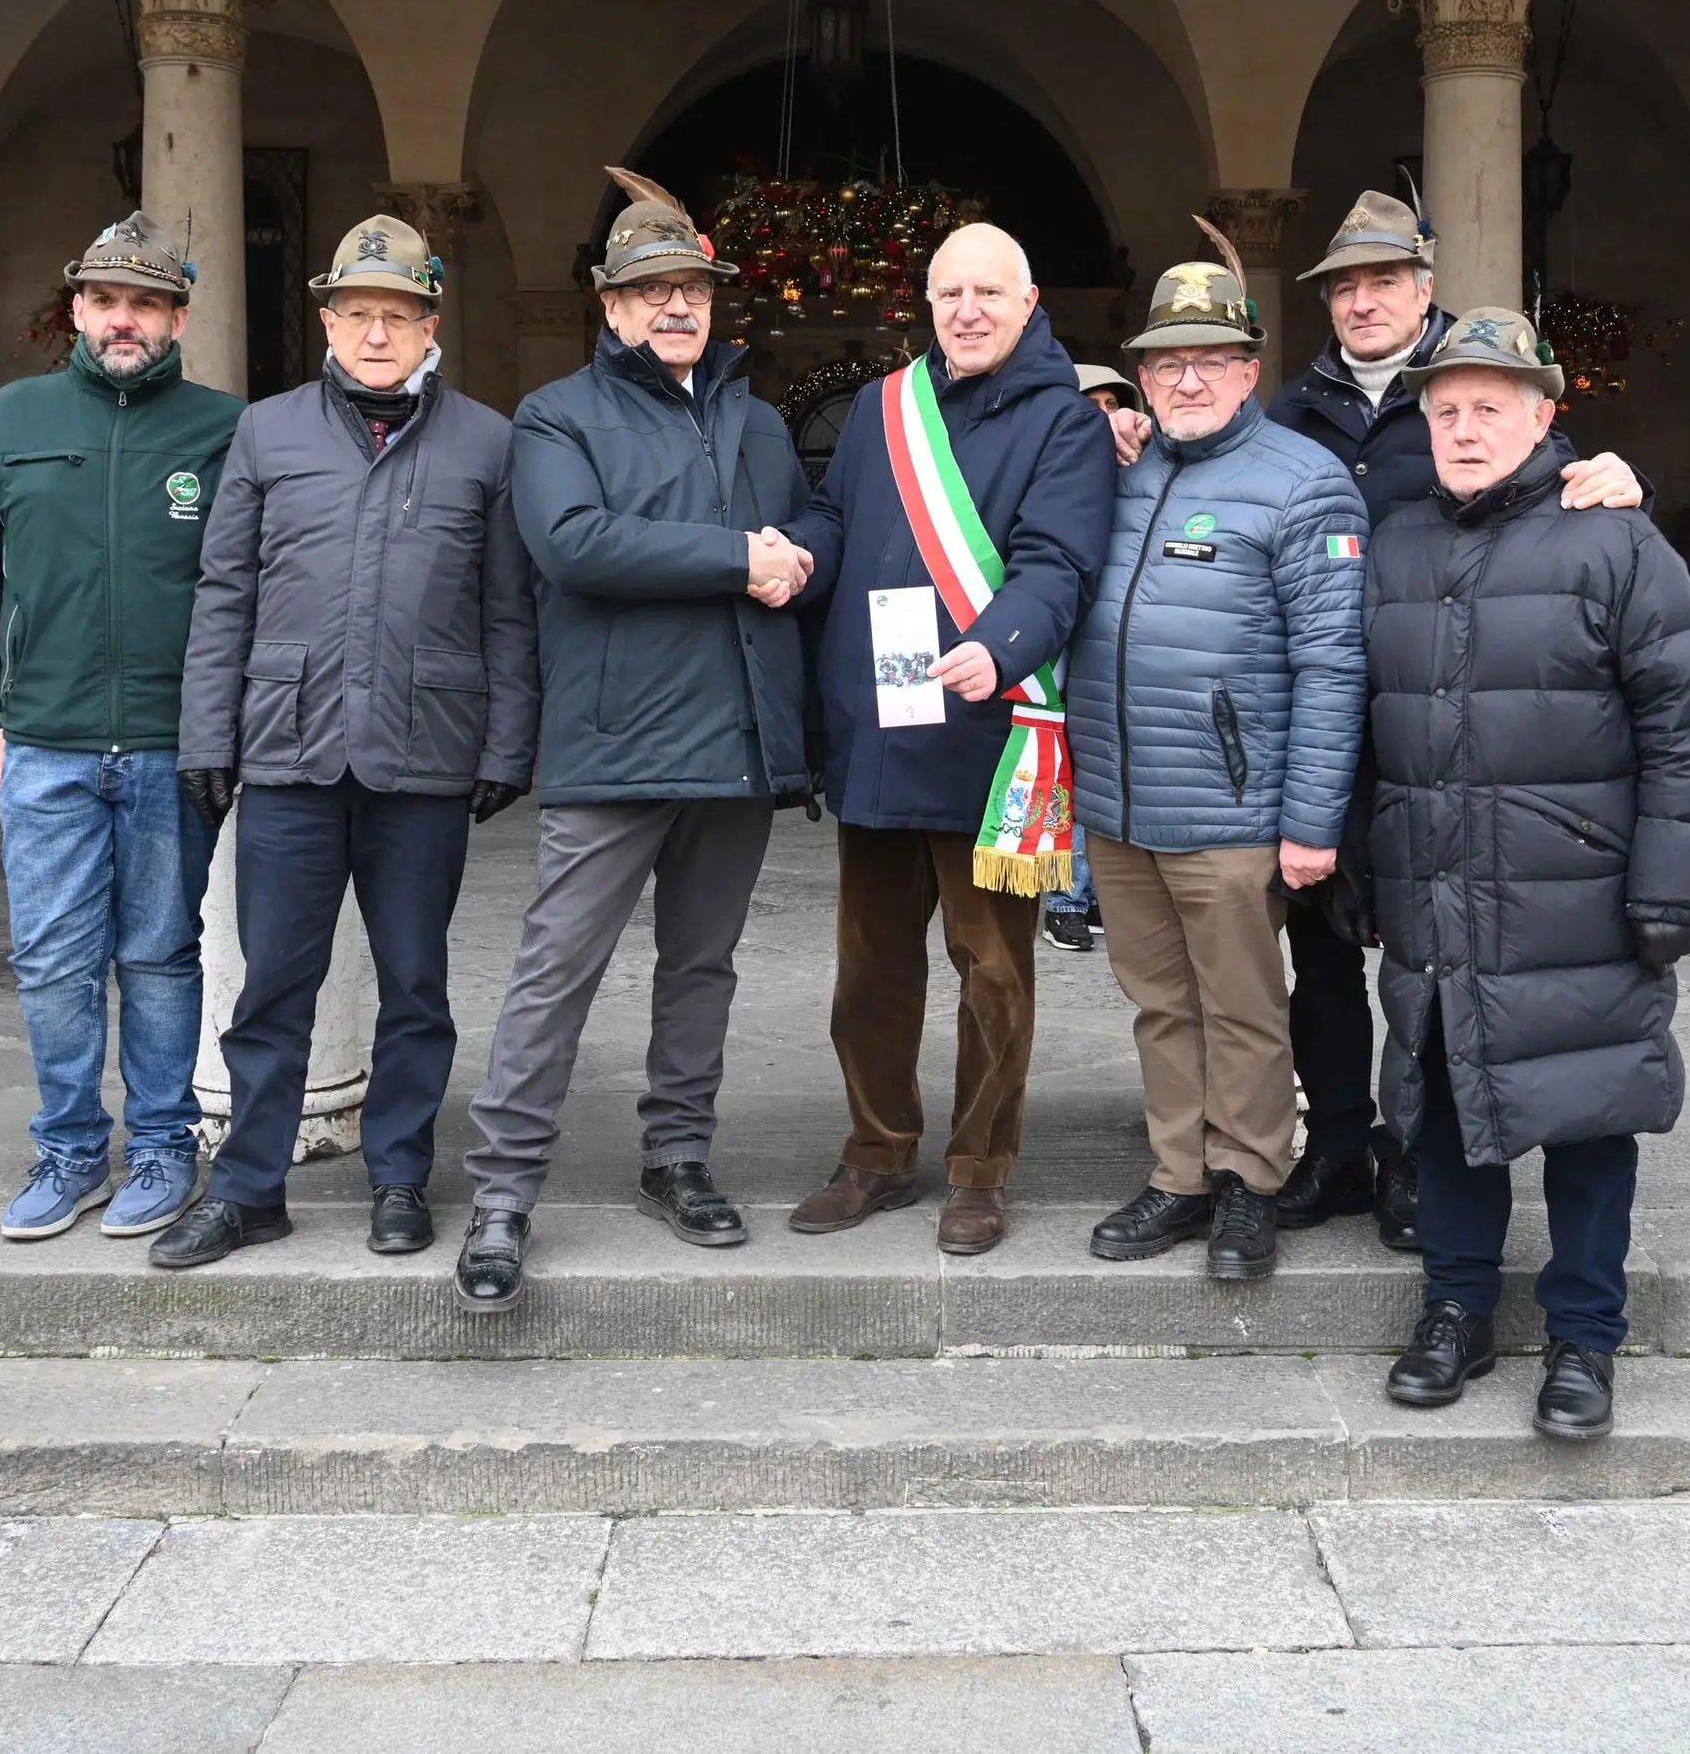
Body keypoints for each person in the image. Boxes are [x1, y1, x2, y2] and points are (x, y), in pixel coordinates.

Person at [1366, 308, 1690, 1439]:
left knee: (1586, 1114)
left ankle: (1584, 1333)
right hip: (1434, 882)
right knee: (1447, 1107)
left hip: (1573, 890)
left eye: (1490, 407)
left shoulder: (1615, 540)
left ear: (1542, 416)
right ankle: (1458, 1306)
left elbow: (1688, 724)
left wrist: (1670, 886)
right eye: (1447, 409)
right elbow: (1359, 714)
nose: (1466, 428)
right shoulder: (1397, 541)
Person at [454, 170, 814, 1311]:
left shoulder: (757, 420)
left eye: (692, 288)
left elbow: (802, 521)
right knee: (556, 970)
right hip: (612, 745)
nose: (675, 306)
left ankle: (679, 1157)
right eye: (651, 289)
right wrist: (738, 559)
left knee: (701, 968)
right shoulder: (558, 415)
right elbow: (572, 543)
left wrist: (804, 551)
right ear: (608, 307)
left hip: (737, 743)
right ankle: (504, 1192)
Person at [1260, 189, 1642, 1249]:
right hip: (1329, 722)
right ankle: (1334, 1138)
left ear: (1426, 290)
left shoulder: (1474, 389)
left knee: (1426, 957)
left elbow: (1557, 487)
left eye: (1384, 280)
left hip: (1451, 724)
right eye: (1345, 286)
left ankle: (1411, 1153)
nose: (1363, 300)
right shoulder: (1289, 414)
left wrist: (1617, 476)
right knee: (1323, 947)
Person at [153, 215, 536, 1269]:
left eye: (399, 314)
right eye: (359, 312)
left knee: (415, 980)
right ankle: (247, 1186)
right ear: (327, 318)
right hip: (289, 747)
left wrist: (508, 741)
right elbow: (224, 589)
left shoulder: (486, 441)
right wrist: (206, 734)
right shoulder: (267, 433)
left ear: (430, 325)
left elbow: (509, 605)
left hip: (426, 748)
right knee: (273, 979)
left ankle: (401, 1175)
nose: (378, 332)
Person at [777, 224, 1115, 1256]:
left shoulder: (1066, 422)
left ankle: (980, 1168)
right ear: (928, 302)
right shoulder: (884, 408)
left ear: (1028, 300)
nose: (967, 310)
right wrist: (802, 550)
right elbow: (839, 513)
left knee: (995, 974)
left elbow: (1060, 562)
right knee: (869, 968)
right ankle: (877, 1149)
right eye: (949, 292)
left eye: (987, 291)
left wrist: (1002, 642)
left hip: (994, 732)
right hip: (883, 726)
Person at [1064, 229, 1366, 1283]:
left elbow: (1333, 664)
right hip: (1120, 799)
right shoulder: (1120, 469)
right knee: (1158, 999)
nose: (1186, 377)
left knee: (1241, 1003)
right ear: (1142, 374)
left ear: (1249, 369)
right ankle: (1179, 1174)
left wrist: (1310, 820)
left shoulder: (1303, 480)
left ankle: (1249, 1182)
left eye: (1209, 359)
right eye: (1165, 360)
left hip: (1235, 809)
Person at [0, 214, 246, 1244]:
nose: (125, 319)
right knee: (55, 959)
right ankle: (71, 1148)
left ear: (177, 317)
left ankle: (162, 1143)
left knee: (162, 953)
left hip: (169, 742)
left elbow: (252, 585)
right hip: (48, 743)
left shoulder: (224, 429)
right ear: (75, 309)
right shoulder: (8, 418)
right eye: (107, 300)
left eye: (147, 303)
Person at [1039, 360, 1138, 957]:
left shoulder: (1142, 466)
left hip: (1115, 634)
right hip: (1058, 631)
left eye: (1111, 405)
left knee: (1105, 756)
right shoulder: (1046, 468)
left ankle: (1094, 887)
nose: (1102, 418)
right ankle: (1064, 897)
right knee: (1061, 761)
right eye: (1088, 406)